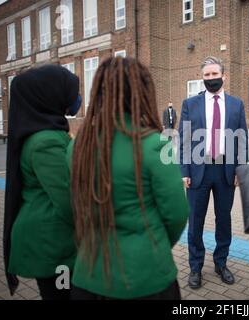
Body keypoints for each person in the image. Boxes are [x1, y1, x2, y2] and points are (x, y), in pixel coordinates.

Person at [68, 57, 189, 300]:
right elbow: (177, 214)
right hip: (147, 276)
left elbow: (74, 205)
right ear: (142, 92)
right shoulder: (157, 144)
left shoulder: (78, 146)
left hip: (89, 275)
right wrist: (154, 243)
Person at [3, 64, 81, 299]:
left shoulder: (44, 132)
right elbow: (69, 202)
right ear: (50, 96)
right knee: (63, 296)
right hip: (54, 249)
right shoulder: (45, 141)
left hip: (53, 244)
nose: (75, 98)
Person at [179, 56, 248, 289]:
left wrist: (241, 169)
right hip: (198, 170)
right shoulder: (190, 104)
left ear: (223, 76)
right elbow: (184, 140)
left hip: (226, 171)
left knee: (224, 220)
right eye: (206, 75)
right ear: (202, 77)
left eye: (214, 74)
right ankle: (195, 267)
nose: (210, 78)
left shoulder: (236, 104)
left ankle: (221, 263)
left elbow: (242, 140)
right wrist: (184, 171)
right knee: (196, 220)